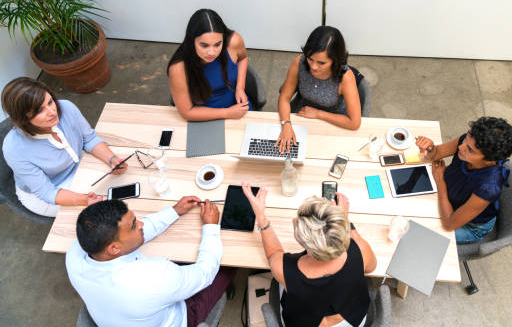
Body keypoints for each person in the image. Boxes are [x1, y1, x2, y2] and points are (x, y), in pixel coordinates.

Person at [66, 197, 235, 327]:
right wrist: (211, 226)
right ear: (114, 248)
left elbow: (140, 231)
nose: (141, 224)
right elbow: (206, 272)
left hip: (125, 315)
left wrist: (175, 211)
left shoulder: (75, 253)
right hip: (181, 317)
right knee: (228, 263)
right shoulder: (155, 277)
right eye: (133, 225)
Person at [242, 182, 376, 327]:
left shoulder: (284, 269)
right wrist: (342, 221)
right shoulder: (360, 249)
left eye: (297, 226)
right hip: (353, 319)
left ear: (303, 243)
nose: (294, 220)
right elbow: (371, 268)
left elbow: (274, 253)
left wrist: (261, 216)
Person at [1, 77, 127, 217]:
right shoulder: (14, 149)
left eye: (50, 102)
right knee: (102, 213)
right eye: (40, 111)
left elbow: (89, 139)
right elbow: (47, 192)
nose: (52, 112)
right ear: (22, 118)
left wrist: (112, 159)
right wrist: (84, 200)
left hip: (77, 168)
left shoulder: (66, 108)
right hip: (48, 192)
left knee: (121, 187)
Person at [415, 116, 512, 244]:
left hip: (469, 226)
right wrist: (430, 148)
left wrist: (440, 182)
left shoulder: (488, 188)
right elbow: (435, 154)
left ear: (489, 161)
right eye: (467, 138)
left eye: (470, 150)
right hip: (449, 198)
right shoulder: (466, 142)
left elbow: (449, 224)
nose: (461, 147)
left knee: (420, 235)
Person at [276, 26, 361, 153]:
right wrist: (286, 124)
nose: (314, 67)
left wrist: (318, 114)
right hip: (302, 115)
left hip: (334, 121)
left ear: (335, 60)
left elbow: (354, 123)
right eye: (310, 59)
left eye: (321, 63)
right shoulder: (299, 62)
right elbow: (284, 97)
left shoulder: (345, 78)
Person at [168, 8, 251, 121]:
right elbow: (187, 112)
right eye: (204, 45)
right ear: (192, 41)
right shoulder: (178, 68)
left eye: (217, 44)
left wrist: (240, 88)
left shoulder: (234, 41)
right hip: (204, 116)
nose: (212, 52)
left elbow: (243, 58)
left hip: (238, 108)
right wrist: (227, 113)